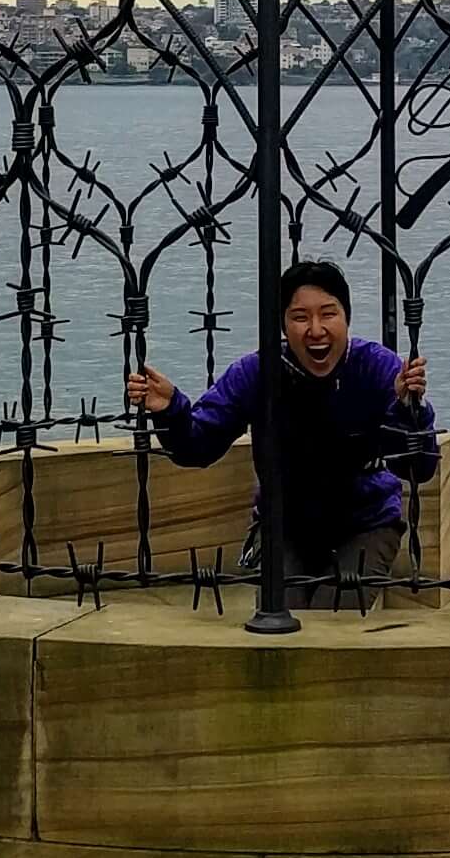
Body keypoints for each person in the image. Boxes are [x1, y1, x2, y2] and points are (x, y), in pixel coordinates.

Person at [124, 258, 434, 607]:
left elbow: (418, 468)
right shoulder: (259, 372)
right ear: (283, 326)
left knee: (336, 618)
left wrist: (407, 410)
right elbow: (198, 445)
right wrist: (171, 409)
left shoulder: (379, 368)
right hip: (284, 523)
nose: (316, 330)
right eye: (300, 317)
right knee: (281, 614)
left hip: (368, 521)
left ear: (346, 318)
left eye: (328, 314)